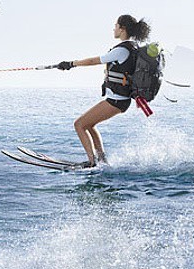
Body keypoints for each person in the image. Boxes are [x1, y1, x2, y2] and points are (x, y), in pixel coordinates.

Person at [55, 14, 153, 167]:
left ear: (122, 29)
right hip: (120, 99)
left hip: (116, 100)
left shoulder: (123, 49)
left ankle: (92, 162)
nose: (113, 29)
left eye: (116, 26)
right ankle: (101, 160)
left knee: (79, 124)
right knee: (89, 125)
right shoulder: (132, 47)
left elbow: (94, 60)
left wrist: (71, 64)